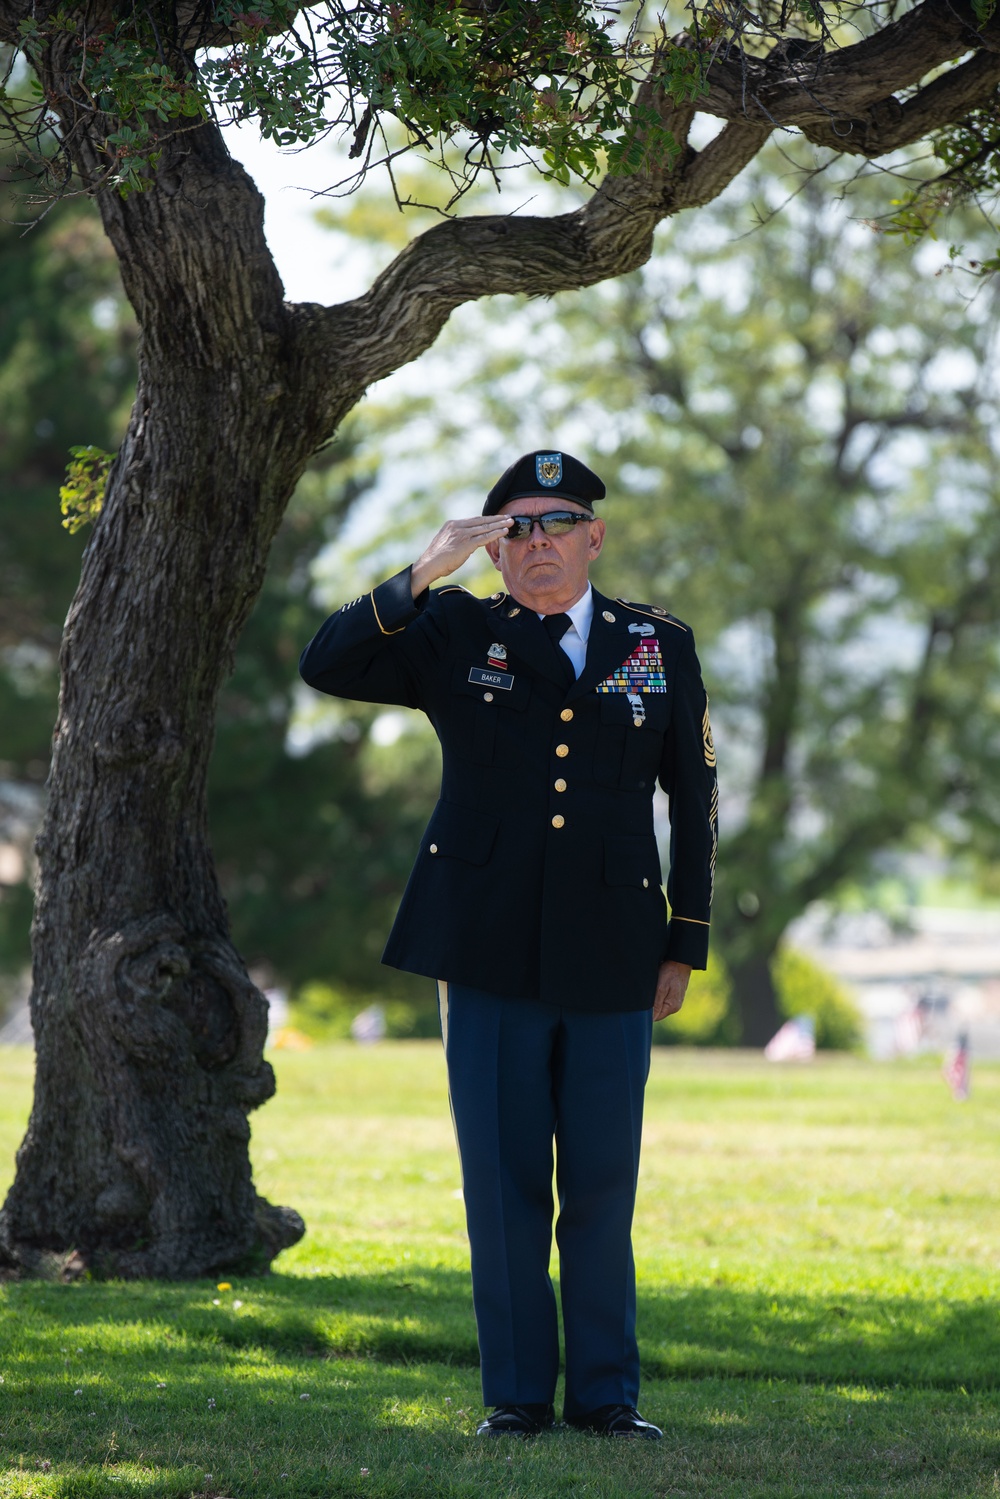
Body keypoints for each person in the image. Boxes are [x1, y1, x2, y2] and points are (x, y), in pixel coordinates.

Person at [299, 450, 718, 1439]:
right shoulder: (453, 628)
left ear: (594, 535)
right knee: (502, 1182)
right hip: (483, 946)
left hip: (617, 947)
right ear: (494, 548)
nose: (539, 543)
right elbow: (327, 663)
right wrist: (420, 572)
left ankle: (609, 1397)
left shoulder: (656, 643)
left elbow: (693, 799)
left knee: (603, 1184)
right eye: (516, 527)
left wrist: (683, 941)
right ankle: (518, 1397)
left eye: (558, 521)